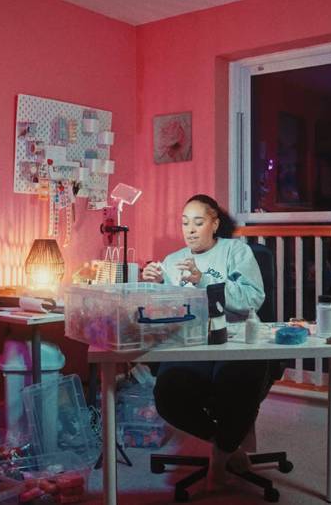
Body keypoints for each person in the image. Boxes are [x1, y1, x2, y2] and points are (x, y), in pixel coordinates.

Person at [142, 194, 268, 488]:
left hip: (235, 340)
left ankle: (221, 456)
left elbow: (253, 298)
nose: (190, 229)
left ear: (214, 224)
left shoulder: (235, 251)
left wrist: (204, 280)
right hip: (191, 344)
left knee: (236, 381)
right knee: (168, 393)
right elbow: (165, 313)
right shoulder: (172, 261)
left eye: (198, 222)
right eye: (185, 222)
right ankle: (226, 446)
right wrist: (155, 285)